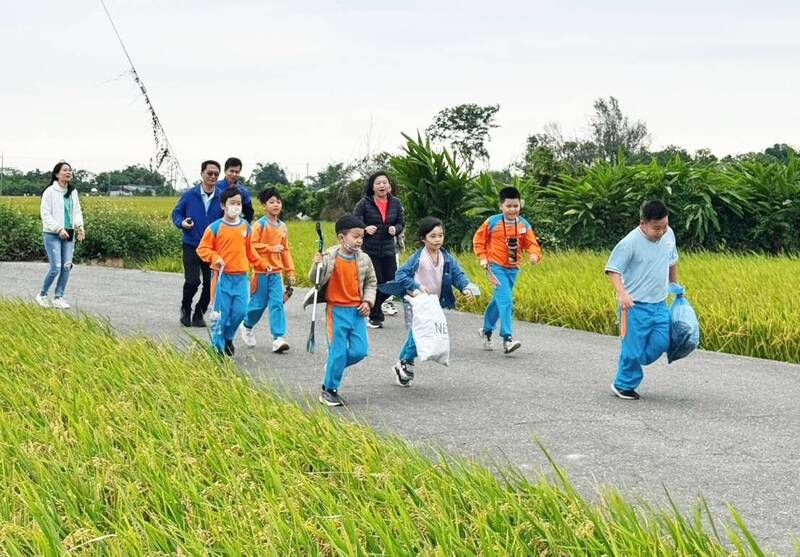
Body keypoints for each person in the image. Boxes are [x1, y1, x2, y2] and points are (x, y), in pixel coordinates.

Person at [380, 217, 479, 386]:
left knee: (423, 333)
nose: (438, 239)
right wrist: (416, 286)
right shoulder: (418, 258)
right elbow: (401, 274)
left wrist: (466, 287)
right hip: (415, 301)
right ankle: (405, 361)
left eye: (440, 235)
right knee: (420, 332)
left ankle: (404, 362)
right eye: (433, 236)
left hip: (434, 303)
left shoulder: (446, 257)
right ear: (423, 239)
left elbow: (457, 275)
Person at [606, 200, 679, 400]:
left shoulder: (668, 234)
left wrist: (675, 285)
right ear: (643, 224)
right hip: (634, 306)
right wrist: (623, 295)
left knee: (663, 341)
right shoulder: (629, 242)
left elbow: (672, 261)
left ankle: (635, 357)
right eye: (656, 228)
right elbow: (613, 270)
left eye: (664, 226)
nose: (661, 231)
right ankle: (623, 385)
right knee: (632, 350)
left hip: (660, 303)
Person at [303, 215, 377, 407]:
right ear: (341, 237)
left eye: (362, 237)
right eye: (355, 236)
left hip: (357, 312)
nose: (360, 240)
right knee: (338, 351)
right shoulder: (329, 256)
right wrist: (316, 263)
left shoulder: (365, 259)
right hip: (336, 311)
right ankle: (329, 390)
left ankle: (334, 367)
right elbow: (314, 279)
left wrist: (368, 302)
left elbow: (371, 282)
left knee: (360, 351)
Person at [196, 188, 270, 356]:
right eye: (232, 203)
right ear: (223, 205)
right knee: (220, 316)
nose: (236, 206)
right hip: (222, 278)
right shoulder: (215, 228)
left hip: (241, 279)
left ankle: (228, 337)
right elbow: (202, 249)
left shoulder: (245, 227)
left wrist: (262, 264)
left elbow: (251, 251)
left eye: (238, 203)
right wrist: (215, 257)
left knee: (240, 312)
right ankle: (217, 349)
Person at [473, 186, 543, 354]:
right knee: (507, 300)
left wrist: (534, 255)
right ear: (501, 206)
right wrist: (482, 257)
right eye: (509, 206)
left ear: (520, 205)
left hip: (513, 268)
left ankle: (486, 330)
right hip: (495, 266)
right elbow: (478, 240)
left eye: (515, 206)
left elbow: (531, 243)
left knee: (500, 300)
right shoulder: (492, 222)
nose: (512, 209)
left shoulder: (523, 224)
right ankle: (507, 338)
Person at [240, 187, 296, 353]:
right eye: (271, 202)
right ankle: (247, 325)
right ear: (264, 205)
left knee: (277, 304)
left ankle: (278, 338)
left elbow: (285, 250)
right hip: (260, 272)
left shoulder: (283, 226)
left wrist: (290, 271)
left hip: (276, 273)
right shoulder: (259, 225)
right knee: (258, 305)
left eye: (278, 202)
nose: (276, 205)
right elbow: (251, 245)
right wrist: (270, 248)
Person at [171, 160, 223, 327]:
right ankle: (186, 308)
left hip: (212, 248)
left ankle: (199, 314)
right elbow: (176, 213)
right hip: (192, 244)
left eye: (216, 174)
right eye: (209, 173)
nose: (213, 176)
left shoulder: (222, 197)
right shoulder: (189, 195)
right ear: (202, 174)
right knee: (193, 281)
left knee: (210, 285)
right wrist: (182, 223)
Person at [353, 171, 405, 329]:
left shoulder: (396, 203)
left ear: (389, 185)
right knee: (376, 282)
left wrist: (395, 229)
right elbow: (354, 223)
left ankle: (370, 306)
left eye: (385, 182)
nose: (382, 185)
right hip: (370, 250)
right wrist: (364, 228)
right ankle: (375, 316)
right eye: (378, 183)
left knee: (392, 282)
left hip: (389, 249)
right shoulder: (364, 203)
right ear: (372, 186)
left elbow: (401, 223)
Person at [36, 161, 85, 309]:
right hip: (52, 234)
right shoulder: (50, 192)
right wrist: (58, 229)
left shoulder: (72, 192)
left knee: (66, 266)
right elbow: (45, 214)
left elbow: (76, 211)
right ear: (57, 174)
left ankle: (58, 297)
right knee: (55, 267)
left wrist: (80, 227)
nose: (68, 172)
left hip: (69, 233)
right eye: (65, 170)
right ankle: (42, 295)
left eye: (70, 170)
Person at [216, 157, 255, 222]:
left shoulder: (243, 191)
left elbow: (249, 214)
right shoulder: (215, 187)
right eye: (231, 171)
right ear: (225, 171)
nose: (234, 174)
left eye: (237, 172)